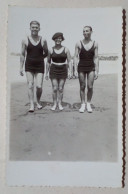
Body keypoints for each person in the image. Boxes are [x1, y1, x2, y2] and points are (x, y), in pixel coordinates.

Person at [20, 21, 48, 112]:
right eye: (33, 27)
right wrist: (20, 67)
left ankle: (38, 101)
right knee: (30, 85)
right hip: (29, 65)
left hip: (40, 65)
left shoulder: (43, 39)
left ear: (39, 29)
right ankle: (31, 104)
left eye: (36, 27)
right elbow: (22, 54)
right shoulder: (25, 40)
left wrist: (40, 58)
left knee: (39, 86)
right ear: (30, 28)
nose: (34, 29)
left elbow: (47, 52)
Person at [74, 26, 99, 113]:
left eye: (87, 31)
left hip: (91, 66)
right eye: (83, 31)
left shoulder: (95, 43)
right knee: (82, 86)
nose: (85, 33)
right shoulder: (78, 43)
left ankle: (88, 104)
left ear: (91, 32)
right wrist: (74, 70)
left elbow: (96, 57)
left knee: (90, 86)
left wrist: (97, 70)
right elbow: (75, 57)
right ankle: (82, 104)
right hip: (81, 66)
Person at [45, 32, 72, 111]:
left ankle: (59, 103)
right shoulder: (51, 49)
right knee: (54, 88)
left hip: (63, 69)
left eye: (60, 38)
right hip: (53, 69)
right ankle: (54, 104)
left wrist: (70, 71)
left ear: (62, 39)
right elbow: (48, 62)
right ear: (54, 39)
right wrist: (46, 73)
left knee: (60, 88)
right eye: (56, 38)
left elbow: (69, 61)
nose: (58, 40)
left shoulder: (66, 49)